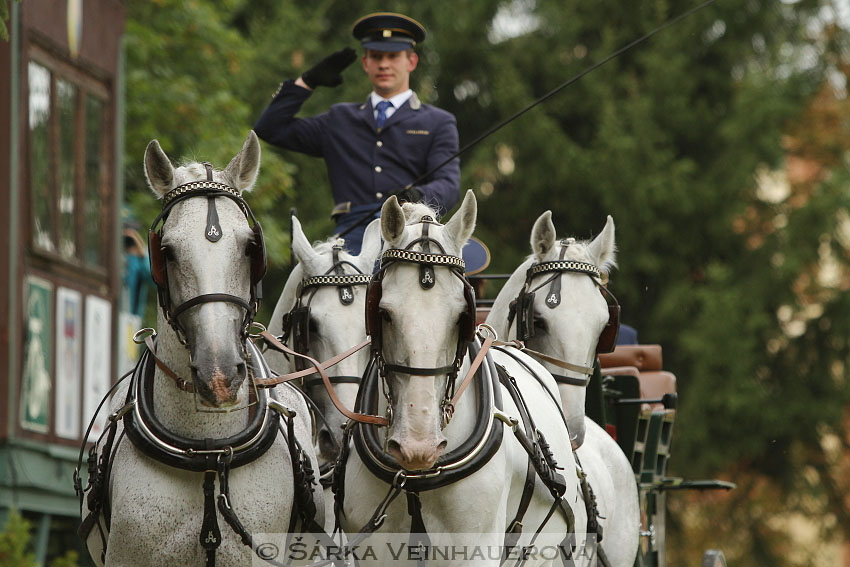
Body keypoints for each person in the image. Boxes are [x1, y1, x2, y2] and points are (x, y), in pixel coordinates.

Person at [254, 12, 461, 254]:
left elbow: (449, 184)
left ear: (411, 62)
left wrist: (417, 197)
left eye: (393, 56)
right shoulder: (339, 119)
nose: (384, 64)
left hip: (412, 234)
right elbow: (269, 128)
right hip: (350, 239)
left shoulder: (438, 121)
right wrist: (307, 82)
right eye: (376, 56)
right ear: (365, 62)